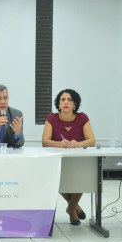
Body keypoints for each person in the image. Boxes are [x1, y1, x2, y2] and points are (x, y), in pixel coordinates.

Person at [42, 88, 96, 226]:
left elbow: (91, 140)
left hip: (77, 161)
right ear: (58, 104)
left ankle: (71, 208)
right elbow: (45, 141)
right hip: (57, 161)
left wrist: (78, 144)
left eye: (69, 99)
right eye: (63, 99)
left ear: (74, 104)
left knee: (83, 176)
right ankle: (73, 208)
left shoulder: (82, 118)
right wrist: (59, 143)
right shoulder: (51, 118)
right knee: (56, 179)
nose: (66, 102)